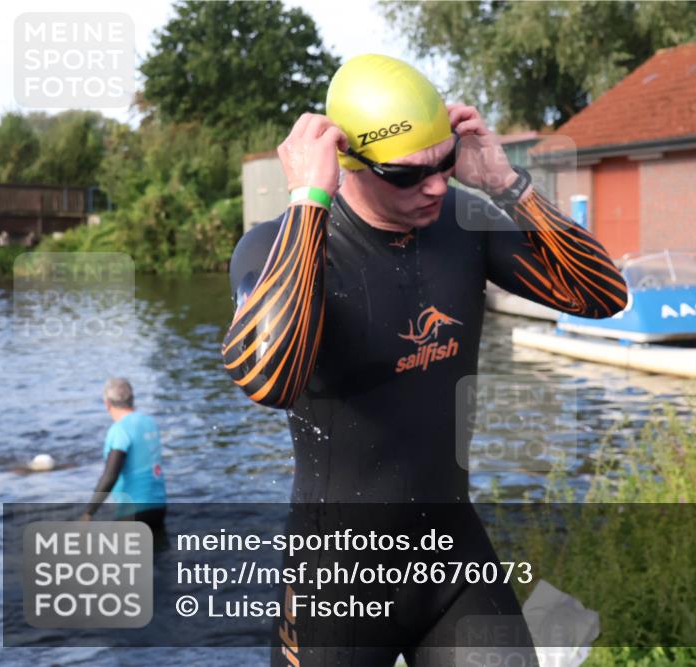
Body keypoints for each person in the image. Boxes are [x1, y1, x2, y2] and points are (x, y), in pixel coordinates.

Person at [223, 54, 627, 666]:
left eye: (444, 164)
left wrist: (504, 183)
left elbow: (603, 294)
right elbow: (269, 378)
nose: (437, 185)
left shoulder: (463, 226)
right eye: (409, 175)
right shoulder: (279, 248)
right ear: (346, 164)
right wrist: (310, 200)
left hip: (453, 565)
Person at [80, 378, 167, 534]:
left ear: (107, 403)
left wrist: (89, 512)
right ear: (132, 399)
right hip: (158, 507)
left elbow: (110, 475)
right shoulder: (150, 422)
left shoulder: (119, 430)